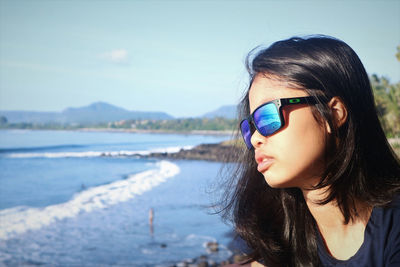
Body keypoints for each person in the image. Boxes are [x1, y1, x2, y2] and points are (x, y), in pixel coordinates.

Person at [220, 35, 400, 267]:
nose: (255, 138)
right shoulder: (274, 231)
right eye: (250, 127)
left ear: (334, 114)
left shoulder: (393, 230)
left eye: (267, 116)